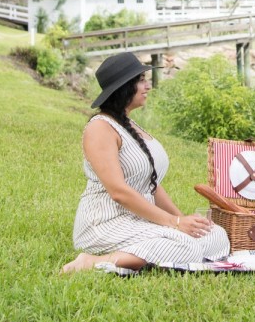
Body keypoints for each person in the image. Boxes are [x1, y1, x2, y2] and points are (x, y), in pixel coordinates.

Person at [62, 52, 229, 273]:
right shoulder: (100, 128)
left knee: (216, 235)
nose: (147, 86)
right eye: (141, 80)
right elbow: (119, 192)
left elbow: (151, 184)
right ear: (124, 87)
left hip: (137, 220)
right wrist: (175, 224)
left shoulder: (129, 125)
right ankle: (90, 262)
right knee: (185, 246)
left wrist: (182, 220)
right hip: (104, 224)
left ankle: (149, 251)